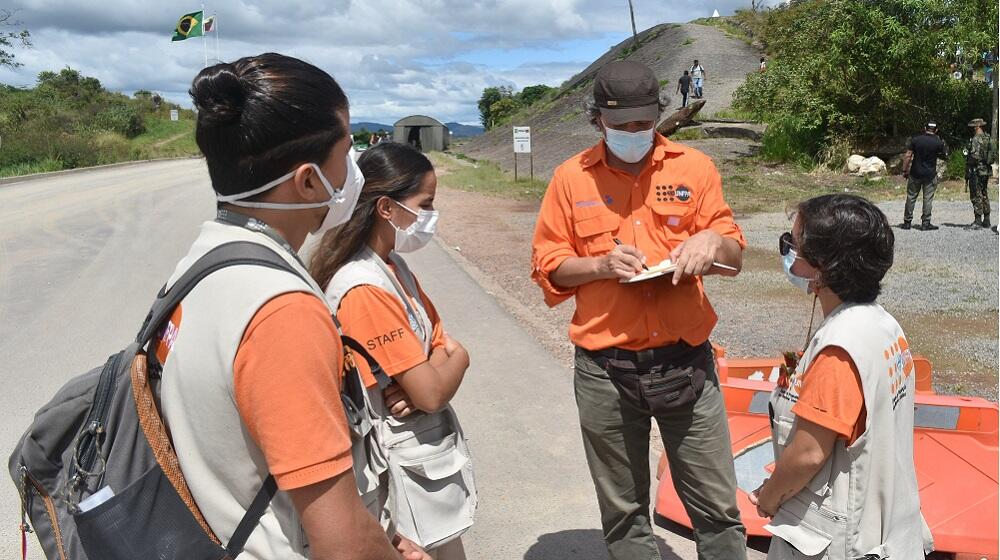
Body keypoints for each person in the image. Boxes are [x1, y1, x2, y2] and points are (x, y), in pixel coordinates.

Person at [156, 53, 427, 560]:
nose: (355, 175)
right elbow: (340, 538)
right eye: (347, 153)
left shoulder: (205, 258)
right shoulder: (281, 310)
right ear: (307, 181)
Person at [531, 60, 747, 560]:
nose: (633, 133)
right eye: (621, 125)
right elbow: (549, 265)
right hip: (605, 371)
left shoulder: (694, 168)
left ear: (658, 116)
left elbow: (734, 251)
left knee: (717, 509)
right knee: (625, 513)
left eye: (643, 124)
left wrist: (710, 240)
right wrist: (601, 264)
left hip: (686, 360)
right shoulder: (569, 179)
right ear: (597, 121)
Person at [311, 142, 475, 560]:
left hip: (418, 472)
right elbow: (431, 393)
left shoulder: (393, 266)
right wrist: (450, 364)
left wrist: (443, 362)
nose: (430, 216)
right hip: (398, 489)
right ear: (386, 207)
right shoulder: (365, 289)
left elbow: (444, 344)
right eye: (426, 203)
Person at [750, 194, 934, 560]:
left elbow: (807, 454)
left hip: (835, 537)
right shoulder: (882, 324)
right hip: (880, 522)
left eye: (793, 243)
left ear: (822, 268)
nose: (787, 251)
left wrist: (771, 495)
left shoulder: (839, 349)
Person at [900, 121, 948, 230]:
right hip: (930, 174)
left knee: (911, 197)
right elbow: (945, 153)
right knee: (928, 199)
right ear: (936, 130)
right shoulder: (938, 142)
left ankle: (907, 222)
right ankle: (925, 223)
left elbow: (908, 156)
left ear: (924, 128)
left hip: (915, 173)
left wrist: (905, 170)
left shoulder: (916, 140)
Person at [965, 117, 994, 228]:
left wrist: (968, 162)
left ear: (977, 127)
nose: (972, 129)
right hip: (986, 171)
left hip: (977, 171)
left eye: (973, 127)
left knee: (976, 195)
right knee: (984, 194)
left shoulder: (976, 139)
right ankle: (986, 220)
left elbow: (974, 157)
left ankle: (977, 221)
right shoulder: (988, 137)